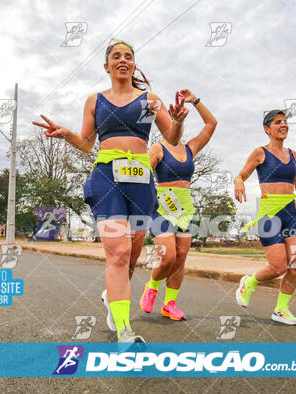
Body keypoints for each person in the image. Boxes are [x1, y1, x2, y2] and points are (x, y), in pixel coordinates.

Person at [33, 38, 187, 342]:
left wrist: (180, 122)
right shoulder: (95, 101)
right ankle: (125, 330)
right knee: (117, 252)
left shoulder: (150, 100)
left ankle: (111, 297)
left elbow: (171, 135)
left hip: (142, 181)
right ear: (107, 66)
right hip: (107, 177)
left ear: (133, 64)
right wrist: (66, 134)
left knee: (130, 257)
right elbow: (87, 143)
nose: (123, 60)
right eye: (116, 56)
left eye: (128, 56)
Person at [234, 109, 296, 325]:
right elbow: (242, 174)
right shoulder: (260, 152)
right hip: (270, 213)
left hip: (290, 212)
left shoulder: (292, 154)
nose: (283, 125)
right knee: (278, 266)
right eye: (278, 122)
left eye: (285, 122)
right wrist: (238, 181)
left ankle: (281, 310)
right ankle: (250, 282)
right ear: (267, 129)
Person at [140, 89, 217, 321]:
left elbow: (211, 123)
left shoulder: (190, 148)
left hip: (185, 208)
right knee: (169, 256)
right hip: (162, 207)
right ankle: (152, 287)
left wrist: (195, 100)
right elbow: (143, 175)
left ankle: (169, 304)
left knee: (180, 260)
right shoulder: (157, 149)